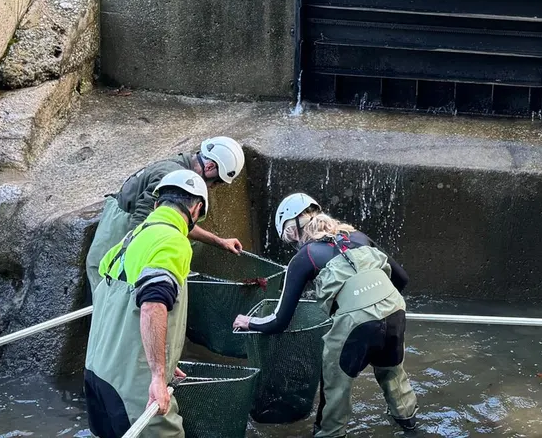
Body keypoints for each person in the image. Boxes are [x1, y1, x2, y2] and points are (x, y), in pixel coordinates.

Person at [233, 208, 417, 437]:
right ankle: (411, 427)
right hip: (395, 310)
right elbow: (402, 278)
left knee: (336, 389)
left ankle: (329, 432)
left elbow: (279, 321)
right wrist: (376, 304)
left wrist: (250, 322)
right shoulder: (358, 236)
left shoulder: (304, 257)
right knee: (393, 374)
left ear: (292, 232)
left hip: (355, 323)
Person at [84, 170, 209, 438]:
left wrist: (164, 355)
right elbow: (153, 304)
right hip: (132, 385)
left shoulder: (128, 240)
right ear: (197, 209)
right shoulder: (174, 241)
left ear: (156, 204)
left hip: (97, 373)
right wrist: (156, 373)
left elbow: (116, 307)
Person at [85, 136, 246, 292]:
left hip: (129, 230)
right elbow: (141, 224)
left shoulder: (182, 169)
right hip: (118, 235)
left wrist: (220, 242)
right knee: (114, 299)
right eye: (217, 182)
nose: (213, 187)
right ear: (210, 167)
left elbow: (174, 221)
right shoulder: (171, 178)